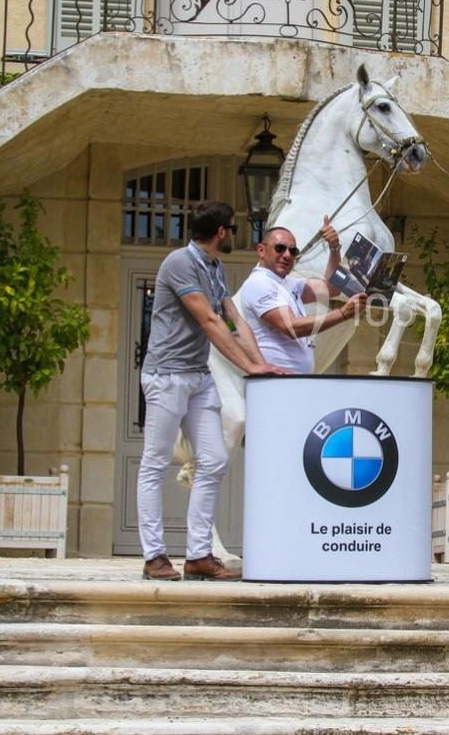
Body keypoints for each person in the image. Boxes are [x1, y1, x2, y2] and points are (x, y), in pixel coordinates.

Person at [138, 201, 286, 582]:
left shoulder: (215, 267)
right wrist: (249, 366)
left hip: (198, 377)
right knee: (155, 463)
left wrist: (261, 364)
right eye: (233, 229)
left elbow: (234, 319)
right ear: (221, 232)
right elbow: (209, 321)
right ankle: (154, 556)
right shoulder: (180, 263)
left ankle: (199, 556)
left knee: (215, 459)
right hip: (167, 376)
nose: (235, 235)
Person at [233, 217, 368, 374]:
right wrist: (343, 313)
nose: (287, 255)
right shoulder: (260, 282)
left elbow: (332, 288)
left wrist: (334, 248)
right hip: (274, 380)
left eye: (293, 251)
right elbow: (291, 327)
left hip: (293, 379)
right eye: (280, 248)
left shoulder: (288, 282)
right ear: (261, 250)